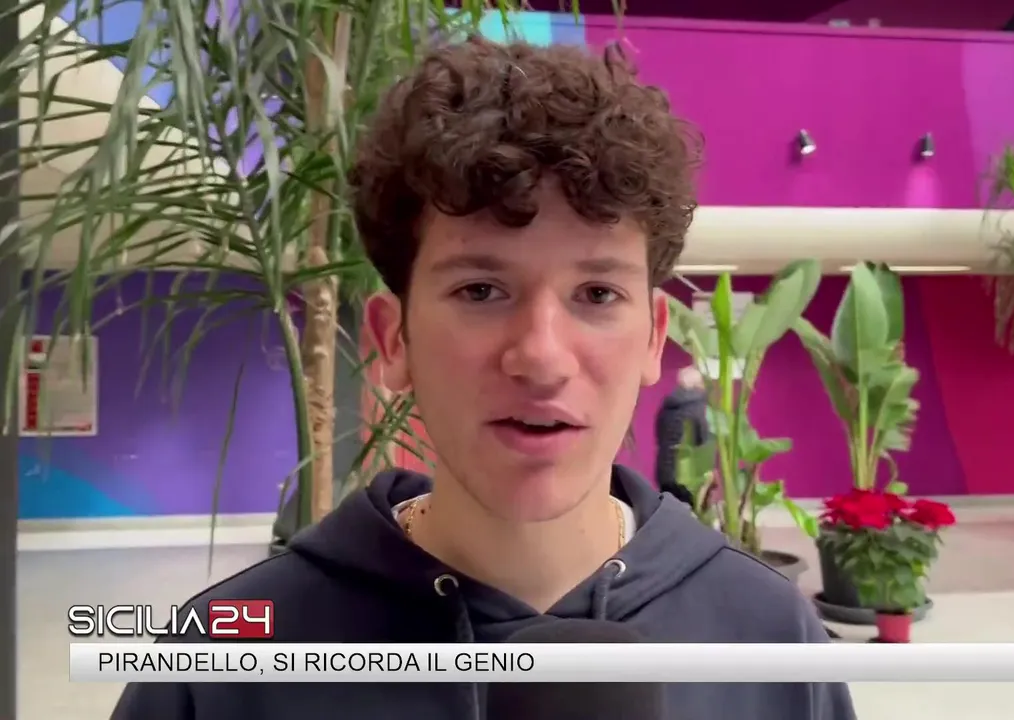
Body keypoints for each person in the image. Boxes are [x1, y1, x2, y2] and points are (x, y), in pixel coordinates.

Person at [110, 38, 855, 720]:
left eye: (597, 294)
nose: (542, 357)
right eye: (480, 291)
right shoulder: (225, 660)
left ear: (654, 337)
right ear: (392, 339)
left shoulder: (768, 635)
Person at [653, 365, 709, 506]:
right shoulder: (698, 407)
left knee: (668, 511)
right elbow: (702, 440)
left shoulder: (667, 406)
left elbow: (659, 435)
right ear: (698, 384)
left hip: (664, 471)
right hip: (687, 473)